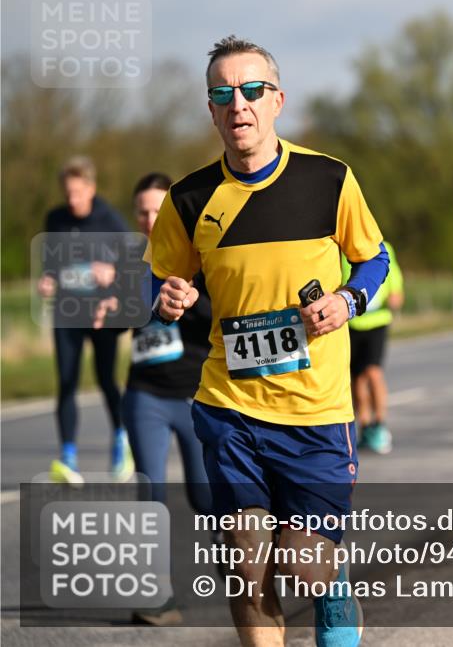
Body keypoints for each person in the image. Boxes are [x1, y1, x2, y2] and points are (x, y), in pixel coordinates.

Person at [146, 36, 388, 647]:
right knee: (245, 557)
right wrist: (165, 297)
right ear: (211, 109)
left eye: (252, 90)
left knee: (304, 565)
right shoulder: (189, 198)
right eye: (223, 93)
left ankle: (333, 581)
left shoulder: (328, 179)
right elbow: (160, 276)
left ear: (277, 100)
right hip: (230, 404)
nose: (239, 104)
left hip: (315, 410)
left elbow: (374, 258)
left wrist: (348, 300)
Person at [104, 173, 213, 626]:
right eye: (142, 212)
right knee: (150, 493)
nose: (150, 220)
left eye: (157, 210)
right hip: (145, 395)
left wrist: (186, 296)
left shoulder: (198, 254)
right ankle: (157, 598)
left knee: (207, 496)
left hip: (195, 393)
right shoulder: (131, 263)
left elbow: (217, 315)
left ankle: (243, 577)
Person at [39, 156, 133, 485]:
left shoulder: (111, 220)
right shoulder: (55, 219)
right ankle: (67, 457)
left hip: (101, 314)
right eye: (67, 193)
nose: (72, 199)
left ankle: (121, 440)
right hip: (67, 313)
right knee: (67, 382)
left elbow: (134, 265)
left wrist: (113, 272)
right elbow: (51, 264)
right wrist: (48, 279)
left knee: (106, 379)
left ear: (91, 189)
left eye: (77, 193)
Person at [342, 241, 404, 454]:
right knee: (357, 377)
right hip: (351, 323)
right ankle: (365, 426)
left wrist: (395, 296)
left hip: (378, 321)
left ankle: (380, 423)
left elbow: (394, 281)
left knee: (373, 371)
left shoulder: (384, 247)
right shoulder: (341, 248)